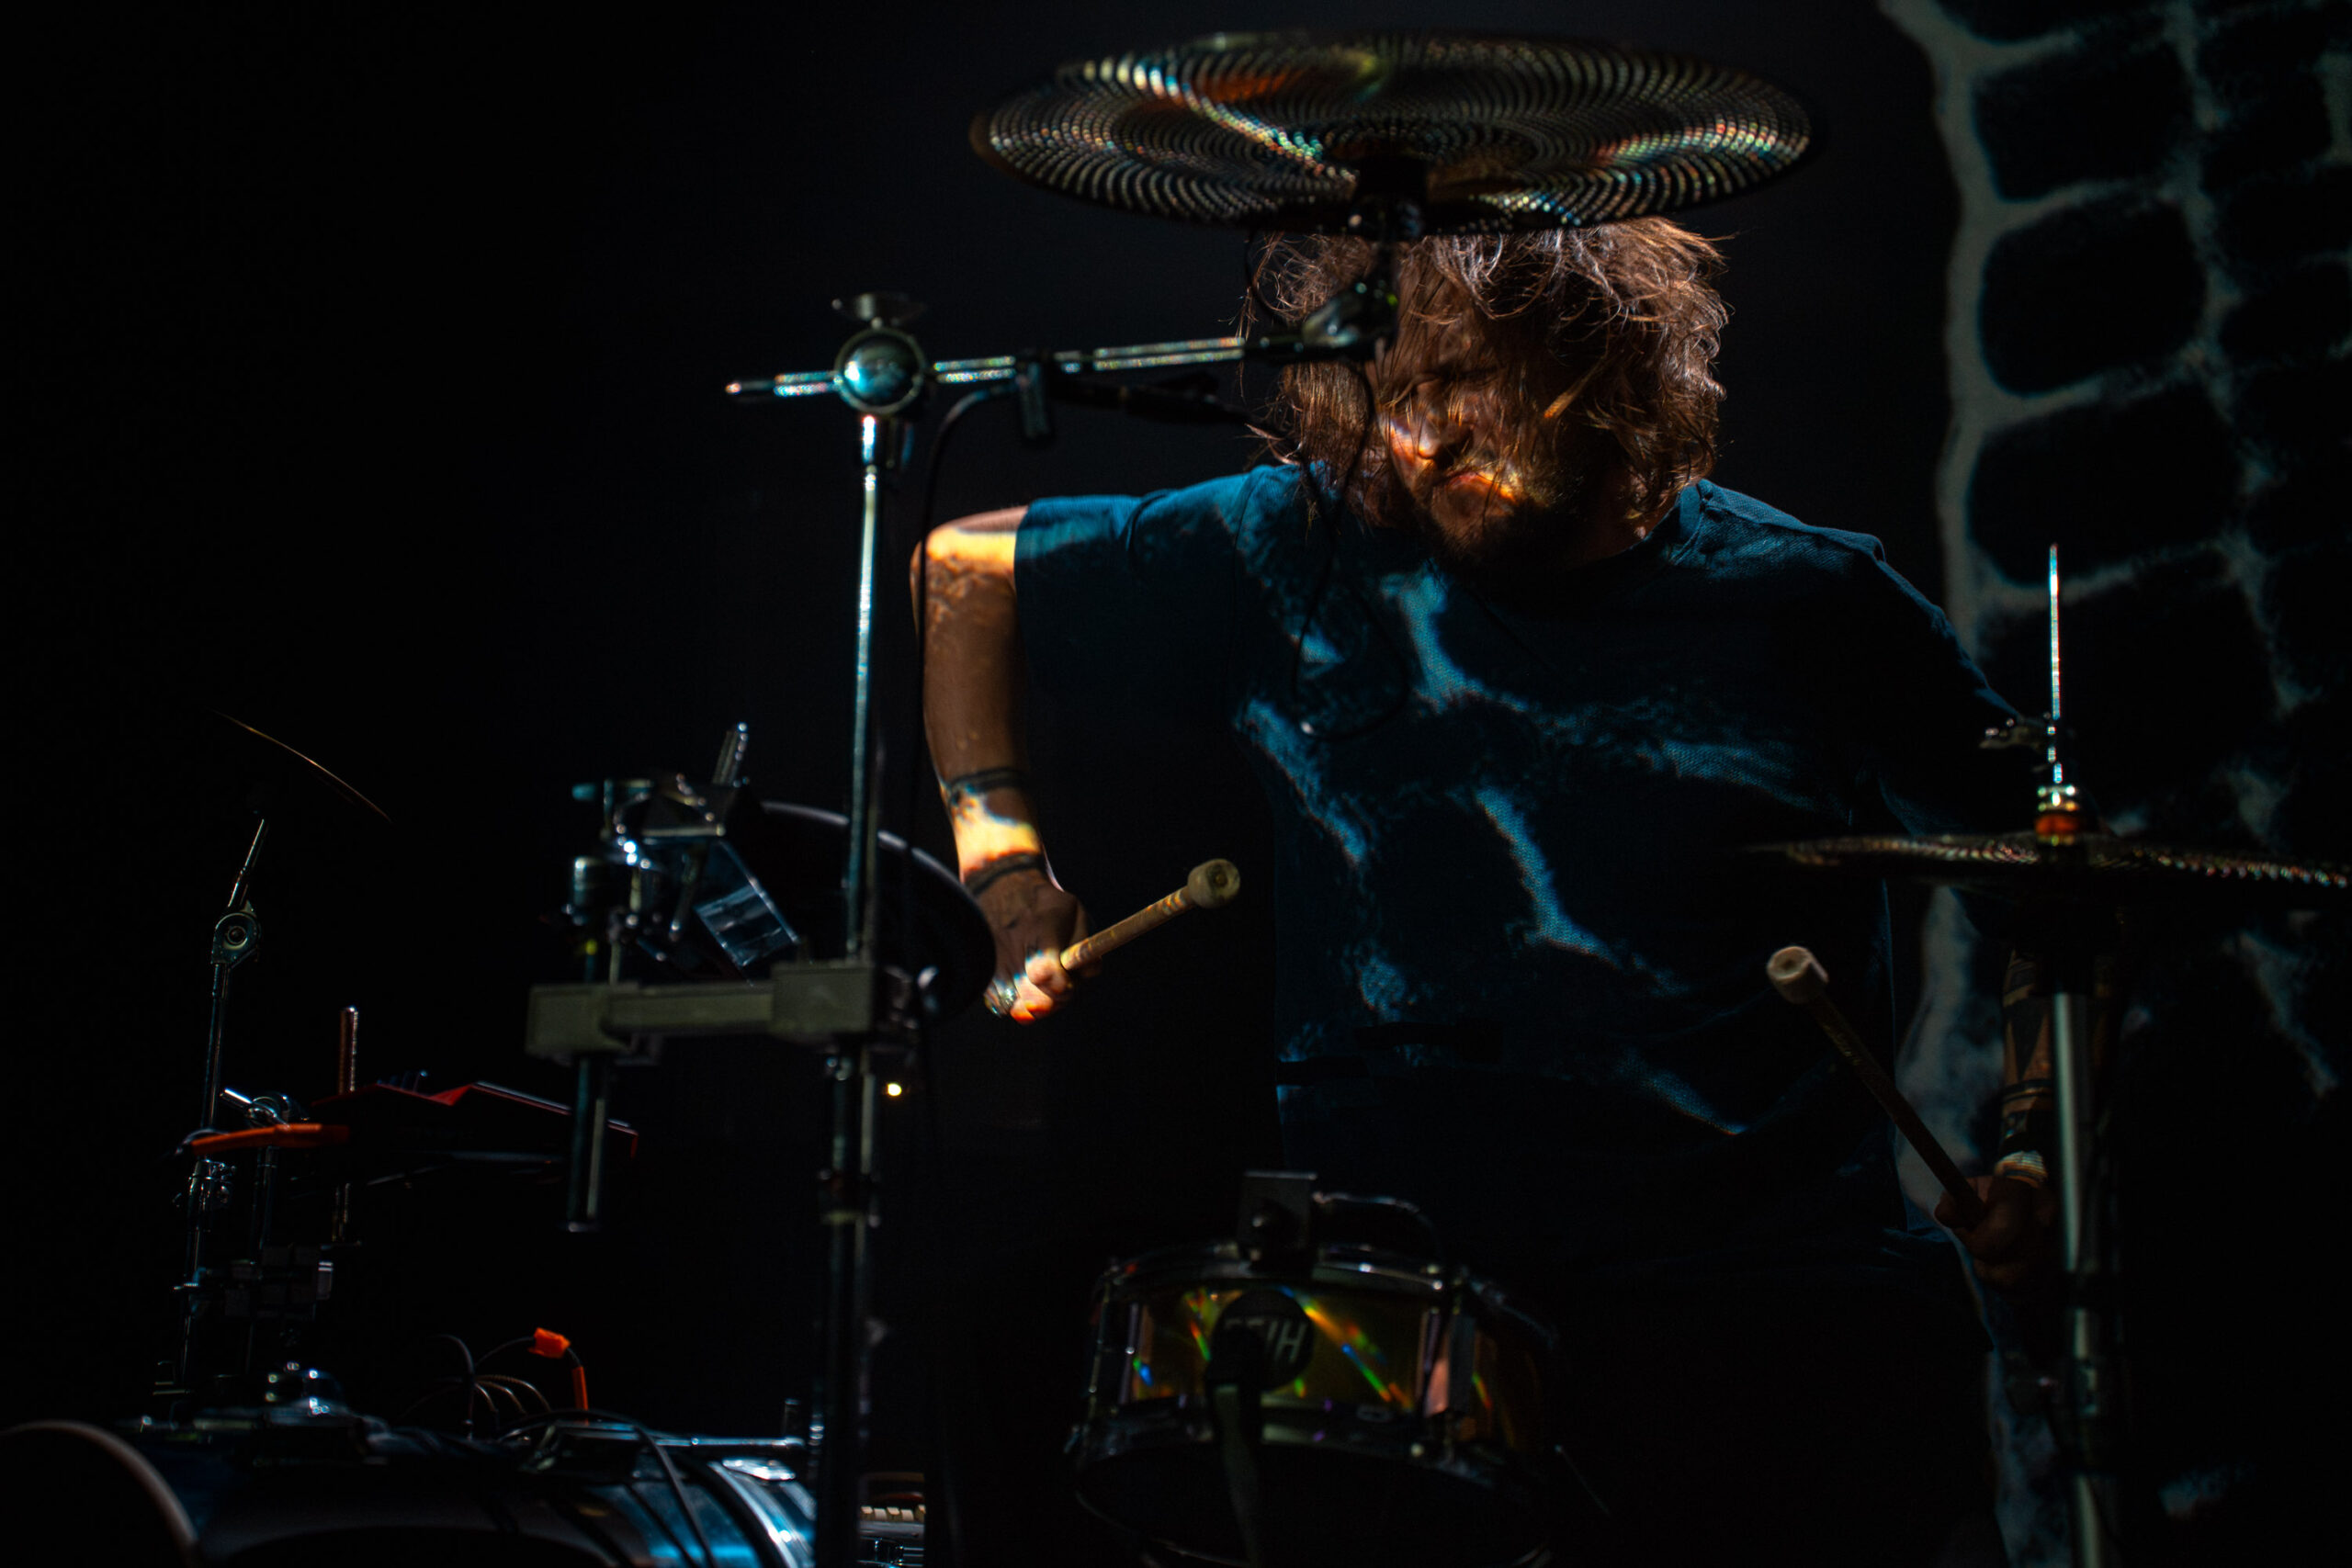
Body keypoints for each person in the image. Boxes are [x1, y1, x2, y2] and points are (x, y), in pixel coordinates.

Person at [918, 219, 2052, 1566]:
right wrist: (1004, 869)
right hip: (1413, 1331)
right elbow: (964, 571)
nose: (1419, 437)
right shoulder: (1303, 545)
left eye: (1462, 383)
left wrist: (2035, 1150)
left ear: (1603, 360)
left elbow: (2056, 894)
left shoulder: (1812, 603)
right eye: (1388, 396)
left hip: (1765, 1320)